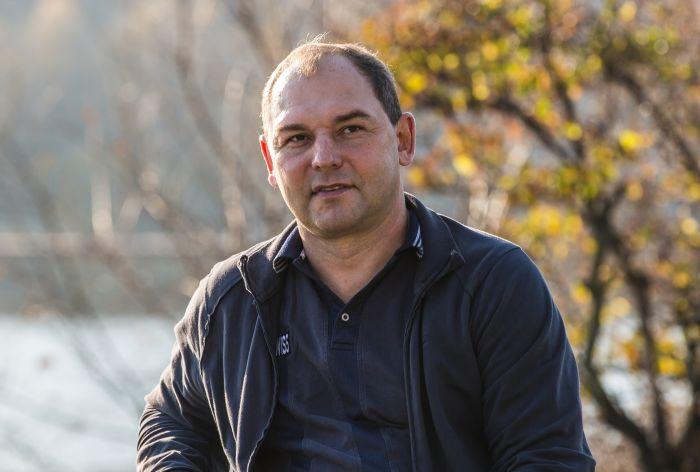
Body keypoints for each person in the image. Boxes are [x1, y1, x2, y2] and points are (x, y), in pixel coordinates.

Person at [137, 39, 596, 471]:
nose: (324, 157)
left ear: (403, 140)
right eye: (296, 138)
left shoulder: (492, 284)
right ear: (270, 162)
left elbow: (548, 458)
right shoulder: (232, 299)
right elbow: (169, 422)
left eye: (350, 129)